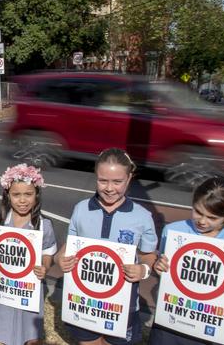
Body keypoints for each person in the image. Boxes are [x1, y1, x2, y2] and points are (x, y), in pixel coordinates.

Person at [56, 147, 158, 345]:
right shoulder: (81, 209)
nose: (109, 188)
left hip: (122, 303)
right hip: (84, 299)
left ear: (129, 179)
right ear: (96, 177)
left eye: (117, 181)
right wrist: (61, 258)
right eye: (103, 180)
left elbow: (148, 254)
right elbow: (70, 245)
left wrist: (143, 270)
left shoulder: (143, 216)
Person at [148, 177, 224, 344]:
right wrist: (159, 266)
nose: (202, 221)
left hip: (208, 326)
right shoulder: (172, 230)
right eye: (198, 212)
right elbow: (163, 267)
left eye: (212, 217)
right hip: (170, 319)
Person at [0, 164, 57, 345]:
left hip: (28, 292)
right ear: (8, 195)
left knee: (30, 335)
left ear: (36, 195)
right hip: (4, 290)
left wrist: (45, 267)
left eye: (28, 194)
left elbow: (49, 252)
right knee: (3, 333)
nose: (22, 200)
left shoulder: (43, 225)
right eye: (16, 195)